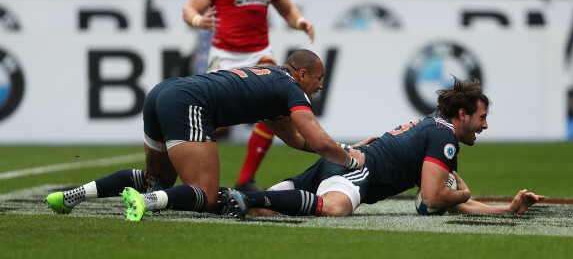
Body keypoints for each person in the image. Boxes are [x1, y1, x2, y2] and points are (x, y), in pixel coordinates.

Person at [45, 49, 364, 221]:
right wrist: (351, 161)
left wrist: (344, 147)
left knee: (156, 176)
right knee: (207, 196)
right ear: (303, 73)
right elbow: (319, 139)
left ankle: (72, 197)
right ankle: (144, 202)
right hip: (190, 103)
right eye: (319, 79)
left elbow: (298, 140)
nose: (320, 86)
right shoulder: (290, 88)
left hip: (163, 92)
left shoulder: (271, 81)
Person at [218, 76, 545, 219]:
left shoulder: (435, 127)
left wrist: (507, 209)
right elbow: (434, 198)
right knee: (335, 209)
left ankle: (210, 198)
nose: (485, 126)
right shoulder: (444, 139)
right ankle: (247, 195)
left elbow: (442, 198)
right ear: (463, 114)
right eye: (482, 117)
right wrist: (461, 193)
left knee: (263, 211)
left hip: (339, 165)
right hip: (358, 172)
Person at [181, 0, 315, 192]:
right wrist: (198, 21)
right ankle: (173, 167)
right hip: (225, 56)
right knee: (212, 122)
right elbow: (189, 9)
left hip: (260, 54)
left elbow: (287, 9)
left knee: (275, 108)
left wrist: (300, 21)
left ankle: (245, 179)